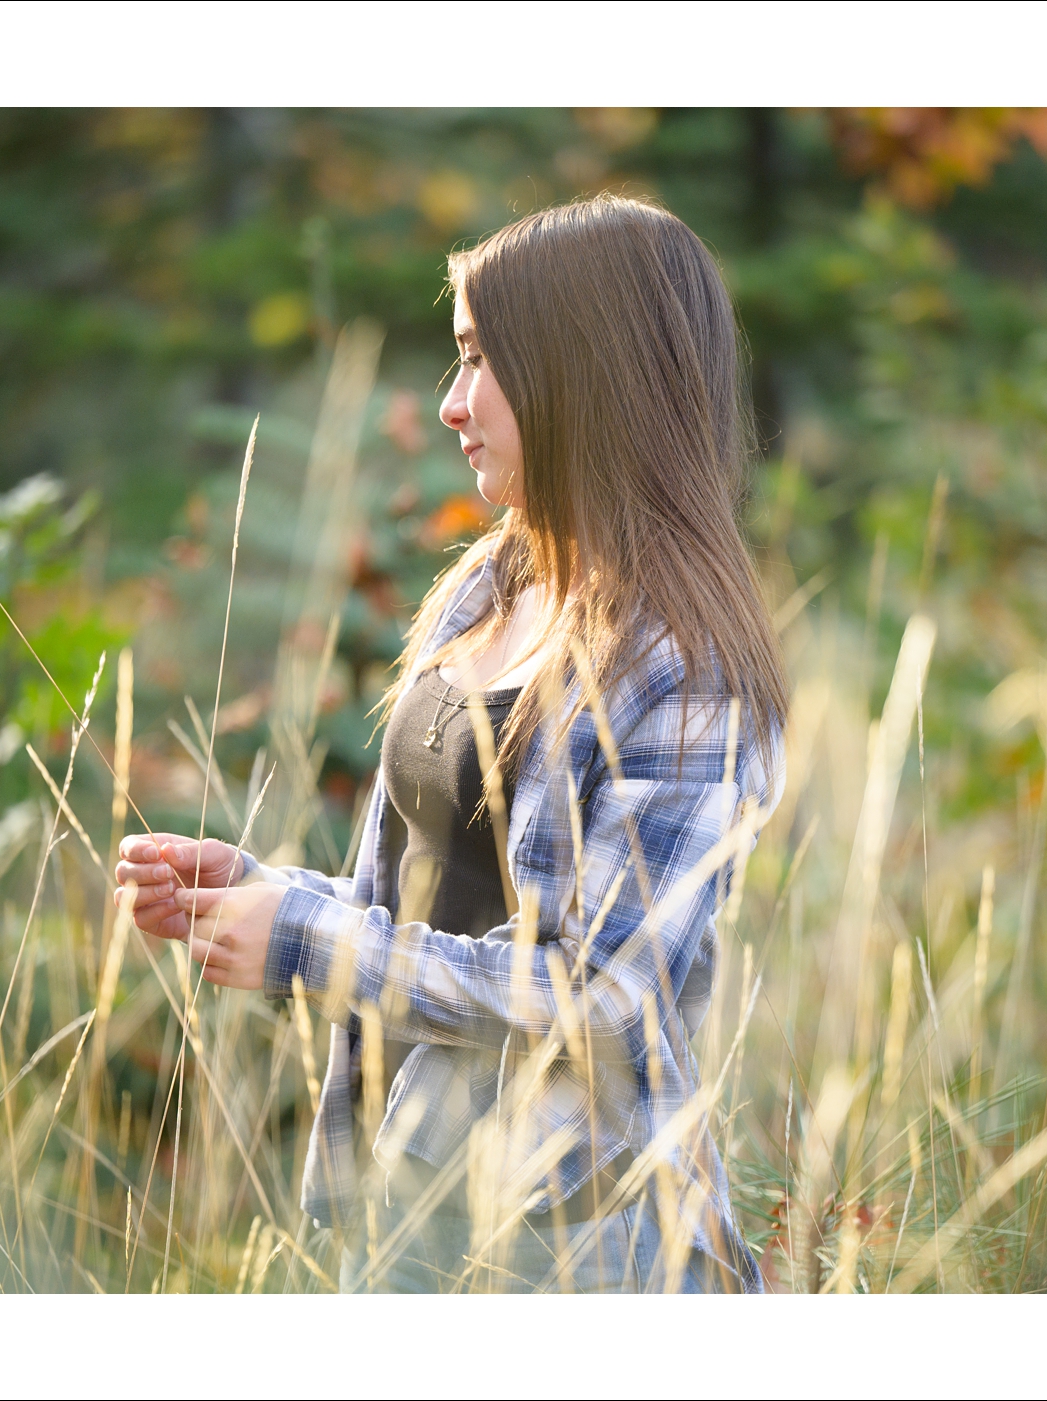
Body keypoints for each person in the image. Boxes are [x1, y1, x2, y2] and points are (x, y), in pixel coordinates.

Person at [114, 194, 787, 1293]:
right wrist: (264, 894)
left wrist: (308, 945)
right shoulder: (489, 585)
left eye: (480, 361)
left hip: (577, 1249)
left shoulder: (682, 666)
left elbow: (603, 999)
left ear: (581, 372)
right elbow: (427, 902)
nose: (448, 405)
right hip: (404, 1213)